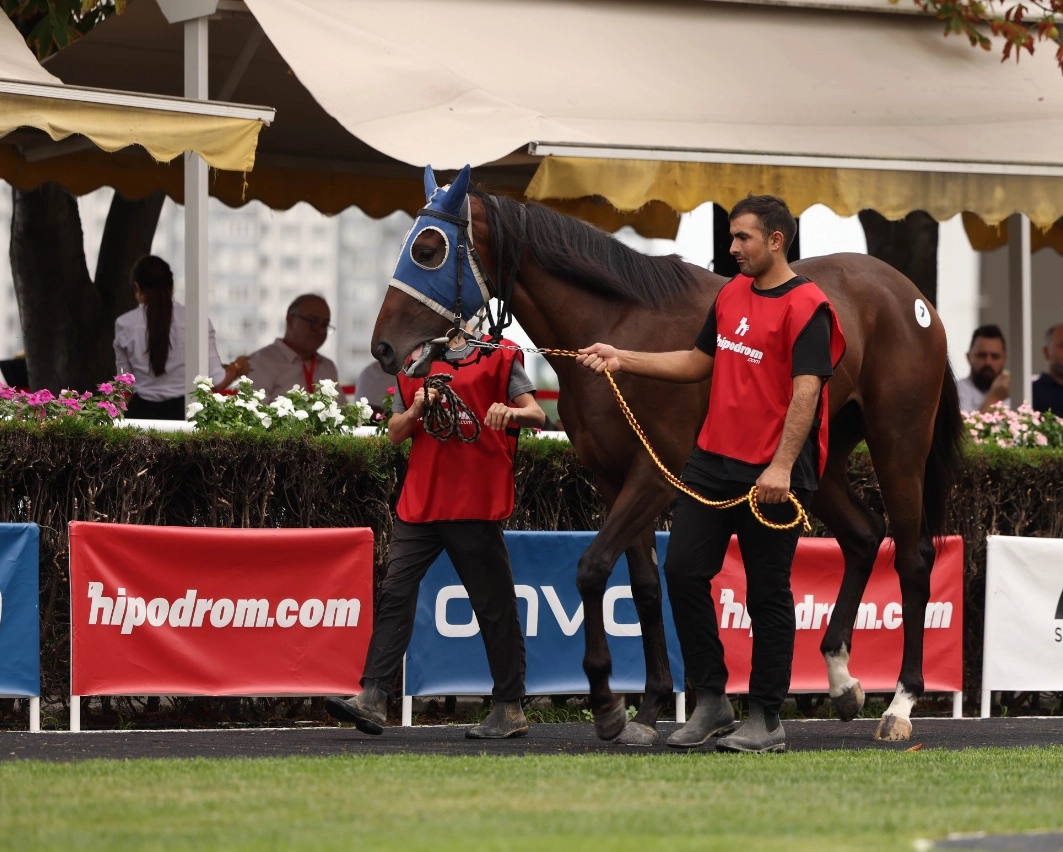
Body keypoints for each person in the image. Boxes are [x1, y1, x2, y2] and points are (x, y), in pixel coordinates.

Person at [577, 194, 845, 754]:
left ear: (776, 240)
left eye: (743, 237)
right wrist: (623, 358)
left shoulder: (809, 306)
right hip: (712, 460)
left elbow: (807, 392)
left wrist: (780, 467)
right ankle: (713, 701)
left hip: (774, 473)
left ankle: (767, 718)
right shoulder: (730, 294)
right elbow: (699, 362)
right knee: (682, 571)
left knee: (767, 594)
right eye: (731, 237)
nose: (733, 247)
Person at [326, 330, 545, 738]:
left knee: (494, 605)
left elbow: (537, 414)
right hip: (421, 504)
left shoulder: (499, 354)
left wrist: (510, 412)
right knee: (394, 592)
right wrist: (415, 411)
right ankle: (373, 698)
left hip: (475, 503)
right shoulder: (414, 361)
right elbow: (395, 431)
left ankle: (509, 709)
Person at [113, 255, 249, 420]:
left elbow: (125, 386)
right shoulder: (197, 321)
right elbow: (217, 379)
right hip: (185, 416)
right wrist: (239, 365)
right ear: (172, 287)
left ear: (137, 287)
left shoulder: (124, 324)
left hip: (140, 417)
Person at [247, 294, 346, 401]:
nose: (320, 330)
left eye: (325, 324)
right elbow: (254, 414)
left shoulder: (327, 366)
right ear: (290, 320)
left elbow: (343, 413)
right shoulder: (260, 362)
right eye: (313, 321)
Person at [957, 324, 1012, 412]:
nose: (988, 362)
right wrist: (995, 397)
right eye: (981, 356)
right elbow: (965, 426)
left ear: (1004, 359)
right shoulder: (957, 391)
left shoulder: (1015, 392)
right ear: (968, 357)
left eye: (995, 356)